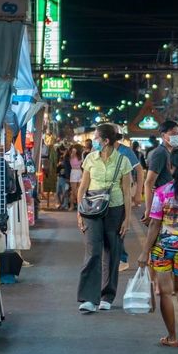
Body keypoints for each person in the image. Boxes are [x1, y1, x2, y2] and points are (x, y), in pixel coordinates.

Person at [137, 149, 178, 346]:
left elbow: (155, 225)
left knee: (166, 292)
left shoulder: (161, 192)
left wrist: (144, 251)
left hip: (162, 247)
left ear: (170, 167)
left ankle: (172, 337)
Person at [76, 124, 132, 313]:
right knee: (93, 252)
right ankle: (88, 298)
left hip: (115, 210)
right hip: (92, 210)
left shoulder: (123, 161)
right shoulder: (90, 158)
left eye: (97, 138)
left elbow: (126, 192)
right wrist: (79, 213)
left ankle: (107, 295)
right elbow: (82, 188)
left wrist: (127, 219)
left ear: (106, 141)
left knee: (112, 253)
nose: (95, 141)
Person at [111, 126, 144, 272]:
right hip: (106, 196)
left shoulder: (125, 151)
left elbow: (139, 170)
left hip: (124, 193)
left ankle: (122, 259)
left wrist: (138, 192)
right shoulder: (100, 151)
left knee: (120, 226)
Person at [143, 120, 178, 224]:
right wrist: (149, 209)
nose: (177, 136)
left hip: (169, 201)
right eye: (173, 134)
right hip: (161, 203)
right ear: (164, 135)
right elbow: (149, 182)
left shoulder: (170, 152)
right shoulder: (160, 153)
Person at [68, 145, 83, 210]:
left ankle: (78, 205)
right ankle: (72, 205)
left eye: (75, 149)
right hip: (74, 172)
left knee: (79, 190)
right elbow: (73, 152)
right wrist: (73, 150)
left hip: (79, 172)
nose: (74, 150)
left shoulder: (80, 156)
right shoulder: (72, 155)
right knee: (73, 191)